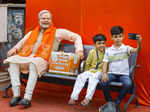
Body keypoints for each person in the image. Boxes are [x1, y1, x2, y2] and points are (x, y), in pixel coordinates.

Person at [4, 10, 84, 108]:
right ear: (39, 20)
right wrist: (14, 49)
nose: (46, 20)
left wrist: (79, 50)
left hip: (44, 59)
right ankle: (16, 95)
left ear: (51, 20)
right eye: (43, 18)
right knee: (13, 61)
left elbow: (76, 37)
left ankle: (27, 98)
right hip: (27, 56)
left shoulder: (58, 32)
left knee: (33, 64)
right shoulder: (32, 33)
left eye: (48, 18)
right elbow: (21, 43)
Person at [101, 26, 142, 105]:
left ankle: (117, 101)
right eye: (115, 37)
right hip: (112, 74)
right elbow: (105, 63)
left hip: (124, 75)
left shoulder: (126, 48)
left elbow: (137, 50)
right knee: (103, 81)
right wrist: (104, 73)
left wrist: (139, 43)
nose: (118, 39)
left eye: (120, 36)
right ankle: (109, 101)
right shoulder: (108, 50)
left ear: (123, 36)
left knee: (128, 84)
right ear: (112, 37)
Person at [68, 34, 107, 106]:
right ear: (94, 44)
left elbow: (108, 65)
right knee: (80, 77)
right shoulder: (92, 52)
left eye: (103, 43)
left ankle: (88, 99)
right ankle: (73, 97)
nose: (101, 45)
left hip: (101, 72)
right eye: (99, 43)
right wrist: (86, 73)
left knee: (93, 78)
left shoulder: (107, 52)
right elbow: (87, 63)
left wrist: (105, 73)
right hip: (91, 71)